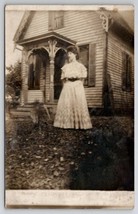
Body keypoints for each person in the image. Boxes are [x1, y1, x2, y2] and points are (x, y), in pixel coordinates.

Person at [53, 45, 92, 129]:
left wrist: (79, 86)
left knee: (77, 103)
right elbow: (63, 79)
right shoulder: (65, 67)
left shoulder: (80, 66)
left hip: (77, 85)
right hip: (68, 86)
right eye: (68, 54)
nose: (69, 55)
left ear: (75, 54)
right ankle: (67, 123)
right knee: (67, 103)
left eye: (70, 53)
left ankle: (78, 124)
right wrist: (66, 87)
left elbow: (82, 79)